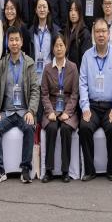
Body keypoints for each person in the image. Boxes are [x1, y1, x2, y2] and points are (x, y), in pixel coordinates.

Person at [0, 28, 38, 183]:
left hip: (23, 111)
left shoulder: (29, 63)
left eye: (17, 40)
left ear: (21, 42)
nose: (14, 43)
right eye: (11, 40)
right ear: (7, 43)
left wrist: (31, 111)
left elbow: (35, 90)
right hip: (7, 112)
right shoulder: (2, 64)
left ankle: (25, 169)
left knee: (29, 127)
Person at [79, 19, 112, 181]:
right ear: (93, 34)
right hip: (92, 105)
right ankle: (90, 170)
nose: (101, 35)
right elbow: (82, 84)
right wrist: (85, 107)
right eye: (97, 31)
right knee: (84, 127)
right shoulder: (87, 56)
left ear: (109, 34)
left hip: (110, 106)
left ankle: (111, 170)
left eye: (104, 31)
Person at [40, 35, 81, 182]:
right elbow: (44, 94)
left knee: (65, 129)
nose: (59, 48)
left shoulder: (73, 67)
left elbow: (75, 94)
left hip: (68, 107)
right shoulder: (47, 68)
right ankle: (48, 170)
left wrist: (67, 113)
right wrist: (49, 111)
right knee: (51, 128)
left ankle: (65, 170)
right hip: (52, 107)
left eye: (61, 45)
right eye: (56, 45)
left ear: (66, 47)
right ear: (53, 48)